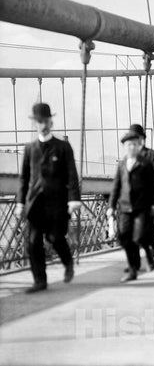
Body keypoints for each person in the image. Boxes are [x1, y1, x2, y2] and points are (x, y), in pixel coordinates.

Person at [15, 103, 81, 293]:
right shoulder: (29, 149)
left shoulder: (62, 147)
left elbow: (71, 174)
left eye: (45, 121)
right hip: (35, 203)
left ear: (51, 122)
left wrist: (74, 199)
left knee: (54, 237)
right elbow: (24, 178)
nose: (42, 125)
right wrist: (20, 201)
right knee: (33, 242)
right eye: (39, 122)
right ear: (35, 124)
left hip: (58, 203)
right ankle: (40, 281)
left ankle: (68, 263)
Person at [107, 131, 154, 282]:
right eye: (128, 145)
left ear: (139, 146)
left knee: (139, 237)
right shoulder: (122, 164)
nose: (131, 147)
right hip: (124, 208)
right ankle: (133, 268)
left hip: (142, 207)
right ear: (124, 147)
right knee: (124, 238)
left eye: (134, 144)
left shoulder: (146, 164)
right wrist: (111, 205)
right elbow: (116, 186)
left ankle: (146, 257)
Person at [128, 124, 154, 266]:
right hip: (134, 202)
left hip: (151, 200)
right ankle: (135, 265)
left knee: (149, 231)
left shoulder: (151, 154)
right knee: (133, 234)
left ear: (142, 139)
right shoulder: (128, 157)